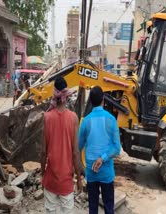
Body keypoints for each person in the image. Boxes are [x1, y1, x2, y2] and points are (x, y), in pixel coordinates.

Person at [41, 76, 83, 214]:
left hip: (51, 179)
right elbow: (76, 152)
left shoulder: (46, 117)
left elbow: (43, 151)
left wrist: (43, 174)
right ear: (66, 96)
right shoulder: (73, 118)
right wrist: (78, 178)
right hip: (66, 180)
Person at [78, 86, 121, 214]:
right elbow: (116, 148)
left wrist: (76, 171)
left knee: (92, 208)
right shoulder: (111, 120)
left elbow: (78, 148)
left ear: (90, 101)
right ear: (103, 99)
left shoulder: (85, 122)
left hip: (91, 172)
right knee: (108, 207)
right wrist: (103, 157)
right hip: (106, 172)